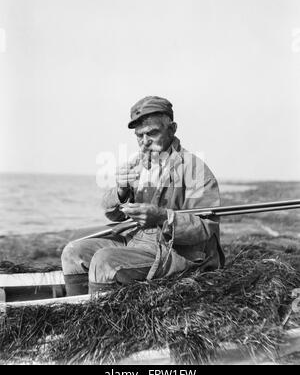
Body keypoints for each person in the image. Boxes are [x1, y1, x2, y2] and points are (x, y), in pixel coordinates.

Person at [61, 96, 225, 296]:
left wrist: (163, 217)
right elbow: (113, 215)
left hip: (175, 250)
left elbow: (206, 228)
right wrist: (121, 191)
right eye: (139, 136)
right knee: (73, 252)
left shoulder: (194, 168)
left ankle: (98, 322)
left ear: (172, 129)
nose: (145, 142)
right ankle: (76, 315)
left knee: (105, 260)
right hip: (135, 241)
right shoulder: (137, 164)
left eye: (152, 133)